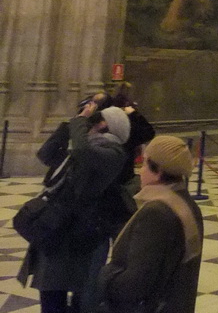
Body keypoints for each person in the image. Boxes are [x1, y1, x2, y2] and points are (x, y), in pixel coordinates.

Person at [18, 103, 133, 313]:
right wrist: (70, 123)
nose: (90, 125)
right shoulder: (83, 147)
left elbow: (83, 150)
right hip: (55, 226)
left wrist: (80, 122)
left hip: (75, 232)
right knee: (50, 290)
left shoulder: (113, 154)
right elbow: (46, 154)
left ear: (106, 125)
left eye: (95, 121)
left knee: (65, 292)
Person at [97, 135, 203, 313]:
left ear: (159, 171)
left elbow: (134, 285)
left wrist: (104, 277)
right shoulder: (186, 202)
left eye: (145, 163)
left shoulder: (156, 212)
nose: (141, 171)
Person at [111, 83, 156, 194]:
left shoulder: (104, 124)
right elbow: (149, 132)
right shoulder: (128, 128)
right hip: (123, 176)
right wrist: (135, 115)